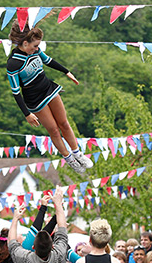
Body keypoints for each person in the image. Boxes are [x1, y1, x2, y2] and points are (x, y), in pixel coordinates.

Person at [6, 24, 91, 174]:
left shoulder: (36, 51)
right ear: (25, 44)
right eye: (35, 45)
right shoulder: (13, 63)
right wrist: (27, 114)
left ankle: (78, 153)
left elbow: (48, 61)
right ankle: (69, 158)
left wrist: (67, 72)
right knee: (54, 130)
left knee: (64, 123)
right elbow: (15, 91)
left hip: (48, 88)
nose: (37, 48)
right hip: (35, 100)